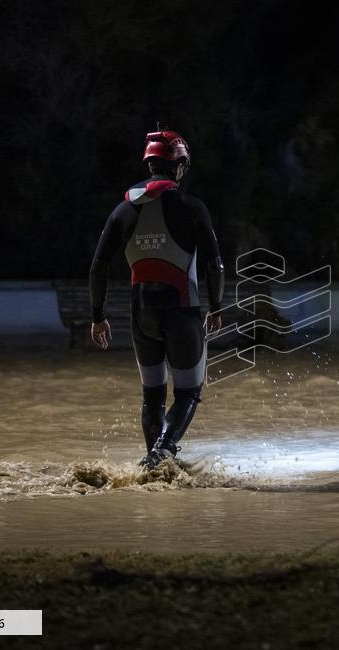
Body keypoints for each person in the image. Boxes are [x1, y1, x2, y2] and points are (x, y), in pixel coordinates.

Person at [89, 128, 225, 469]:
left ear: (149, 164)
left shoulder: (123, 210)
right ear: (178, 165)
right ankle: (162, 453)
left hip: (141, 315)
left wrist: (97, 316)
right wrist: (216, 307)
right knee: (188, 393)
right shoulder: (192, 208)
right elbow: (215, 265)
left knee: (152, 396)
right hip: (181, 310)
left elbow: (98, 266)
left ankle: (154, 466)